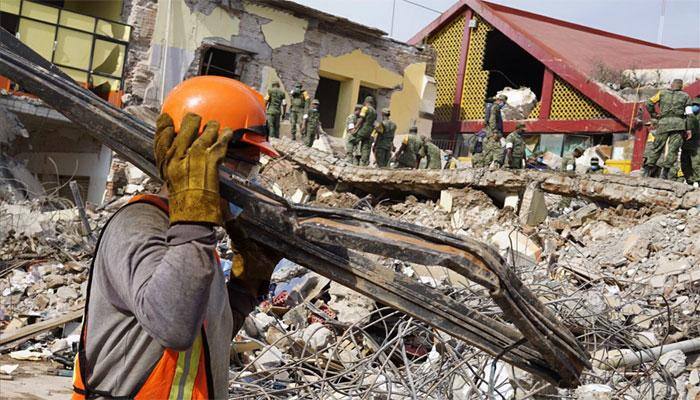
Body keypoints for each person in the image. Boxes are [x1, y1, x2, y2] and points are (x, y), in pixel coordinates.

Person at [71, 76, 281, 399]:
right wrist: (196, 219)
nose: (248, 183)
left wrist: (242, 290)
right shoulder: (139, 226)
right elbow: (174, 325)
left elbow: (204, 340)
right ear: (202, 159)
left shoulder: (192, 236)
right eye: (243, 169)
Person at [645, 78, 691, 179]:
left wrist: (653, 114)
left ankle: (647, 170)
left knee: (657, 147)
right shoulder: (686, 96)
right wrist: (689, 129)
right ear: (681, 87)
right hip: (678, 125)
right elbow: (689, 114)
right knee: (673, 149)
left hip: (663, 124)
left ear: (671, 85)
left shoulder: (661, 93)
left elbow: (648, 103)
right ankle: (665, 172)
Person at [348, 96, 377, 166]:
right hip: (370, 131)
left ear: (365, 102)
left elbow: (361, 119)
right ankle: (363, 163)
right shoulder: (374, 111)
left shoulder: (365, 108)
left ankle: (349, 158)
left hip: (363, 129)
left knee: (351, 140)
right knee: (365, 147)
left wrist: (355, 127)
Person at [681, 96, 700, 187]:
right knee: (685, 162)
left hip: (696, 142)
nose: (695, 107)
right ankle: (689, 180)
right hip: (686, 142)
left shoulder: (693, 116)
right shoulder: (687, 116)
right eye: (694, 105)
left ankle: (698, 181)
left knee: (696, 162)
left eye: (697, 105)